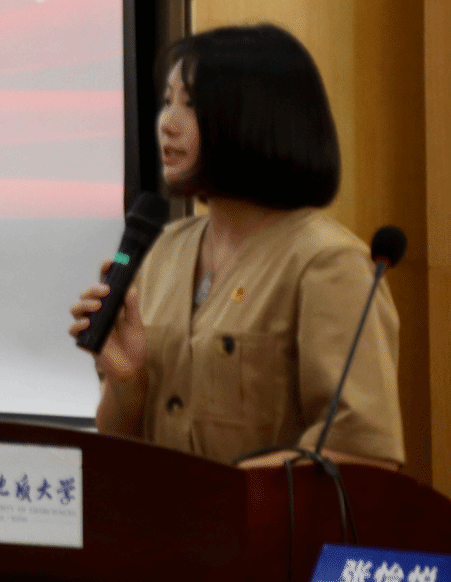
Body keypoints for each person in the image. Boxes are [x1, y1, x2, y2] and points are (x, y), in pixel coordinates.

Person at [67, 24, 401, 468]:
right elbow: (122, 442)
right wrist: (127, 382)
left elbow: (361, 454)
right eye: (167, 101)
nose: (167, 123)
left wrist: (225, 493)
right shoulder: (162, 253)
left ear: (255, 117)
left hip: (264, 517)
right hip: (161, 512)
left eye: (191, 105)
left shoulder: (328, 263)